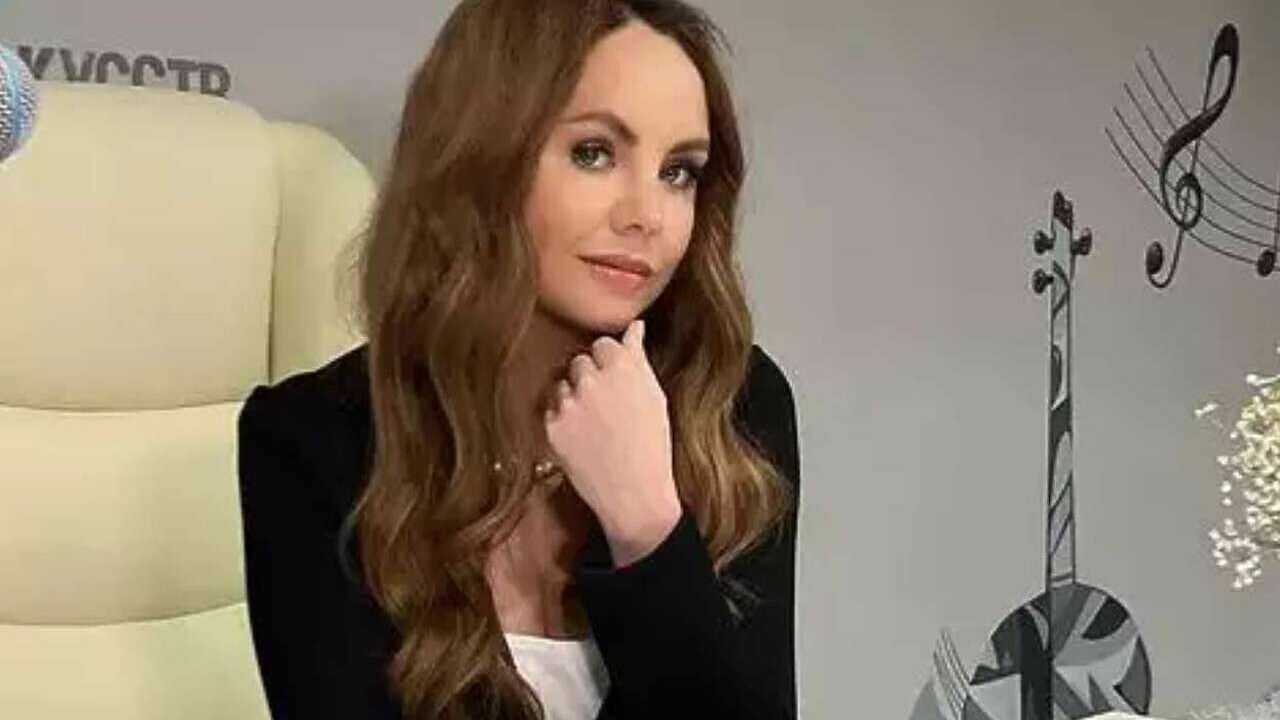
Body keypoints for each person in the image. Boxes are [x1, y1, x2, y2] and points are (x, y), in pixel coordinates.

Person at [235, 0, 801, 718]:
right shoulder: (310, 444)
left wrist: (648, 530)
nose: (648, 215)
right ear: (480, 160)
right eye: (594, 153)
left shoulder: (736, 403)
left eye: (679, 172)